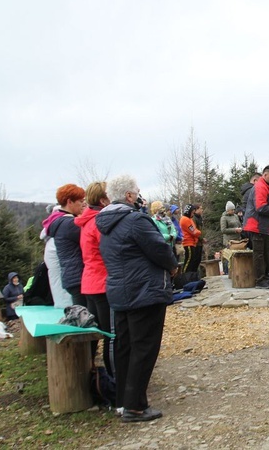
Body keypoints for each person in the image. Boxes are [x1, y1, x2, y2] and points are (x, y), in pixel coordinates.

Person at [95, 174, 178, 423]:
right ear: (129, 196)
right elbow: (159, 248)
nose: (140, 195)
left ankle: (122, 401)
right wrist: (173, 266)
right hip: (144, 291)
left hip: (120, 291)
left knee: (125, 346)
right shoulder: (134, 220)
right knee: (144, 348)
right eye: (137, 191)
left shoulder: (106, 222)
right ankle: (136, 407)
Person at [75, 181, 114, 376]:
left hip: (89, 282)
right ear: (102, 199)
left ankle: (88, 374)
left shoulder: (86, 221)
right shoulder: (99, 222)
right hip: (102, 283)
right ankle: (114, 379)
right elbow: (109, 252)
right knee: (110, 334)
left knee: (94, 334)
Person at [43, 184, 87, 307]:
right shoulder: (69, 224)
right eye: (80, 201)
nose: (83, 204)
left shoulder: (58, 221)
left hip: (71, 278)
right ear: (69, 202)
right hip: (78, 278)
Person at [240, 172, 261, 250]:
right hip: (253, 224)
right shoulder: (253, 191)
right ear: (255, 180)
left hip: (247, 224)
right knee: (256, 251)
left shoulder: (247, 191)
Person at [220, 201, 243, 274]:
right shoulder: (224, 218)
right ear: (228, 210)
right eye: (232, 210)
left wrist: (240, 228)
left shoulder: (235, 216)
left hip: (237, 239)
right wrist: (235, 230)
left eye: (234, 209)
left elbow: (239, 224)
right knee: (229, 257)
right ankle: (228, 272)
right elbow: (223, 230)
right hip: (229, 240)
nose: (233, 211)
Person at [180, 204, 202, 274]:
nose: (193, 214)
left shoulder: (189, 219)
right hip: (188, 243)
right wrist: (198, 232)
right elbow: (194, 232)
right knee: (188, 262)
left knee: (193, 262)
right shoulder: (185, 220)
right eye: (192, 212)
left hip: (192, 243)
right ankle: (185, 276)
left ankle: (191, 276)